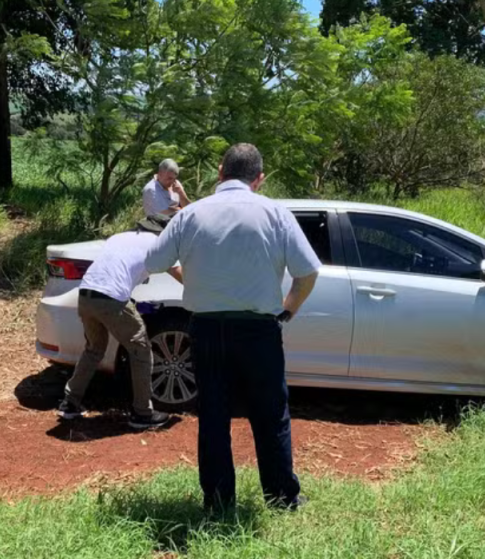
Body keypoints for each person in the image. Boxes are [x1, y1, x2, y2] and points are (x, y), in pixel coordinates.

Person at [145, 143, 320, 512]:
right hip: (260, 330)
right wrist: (287, 311)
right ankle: (282, 497)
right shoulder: (275, 213)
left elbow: (156, 259)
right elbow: (307, 273)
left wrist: (191, 275)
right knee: (270, 414)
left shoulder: (190, 215)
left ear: (220, 171)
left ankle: (219, 500)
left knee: (212, 415)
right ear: (259, 179)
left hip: (206, 328)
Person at [59, 214, 184, 429]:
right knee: (141, 350)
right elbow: (180, 275)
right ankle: (142, 413)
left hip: (86, 296)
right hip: (111, 299)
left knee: (94, 349)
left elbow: (118, 268)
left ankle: (70, 403)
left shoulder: (119, 238)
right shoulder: (158, 244)